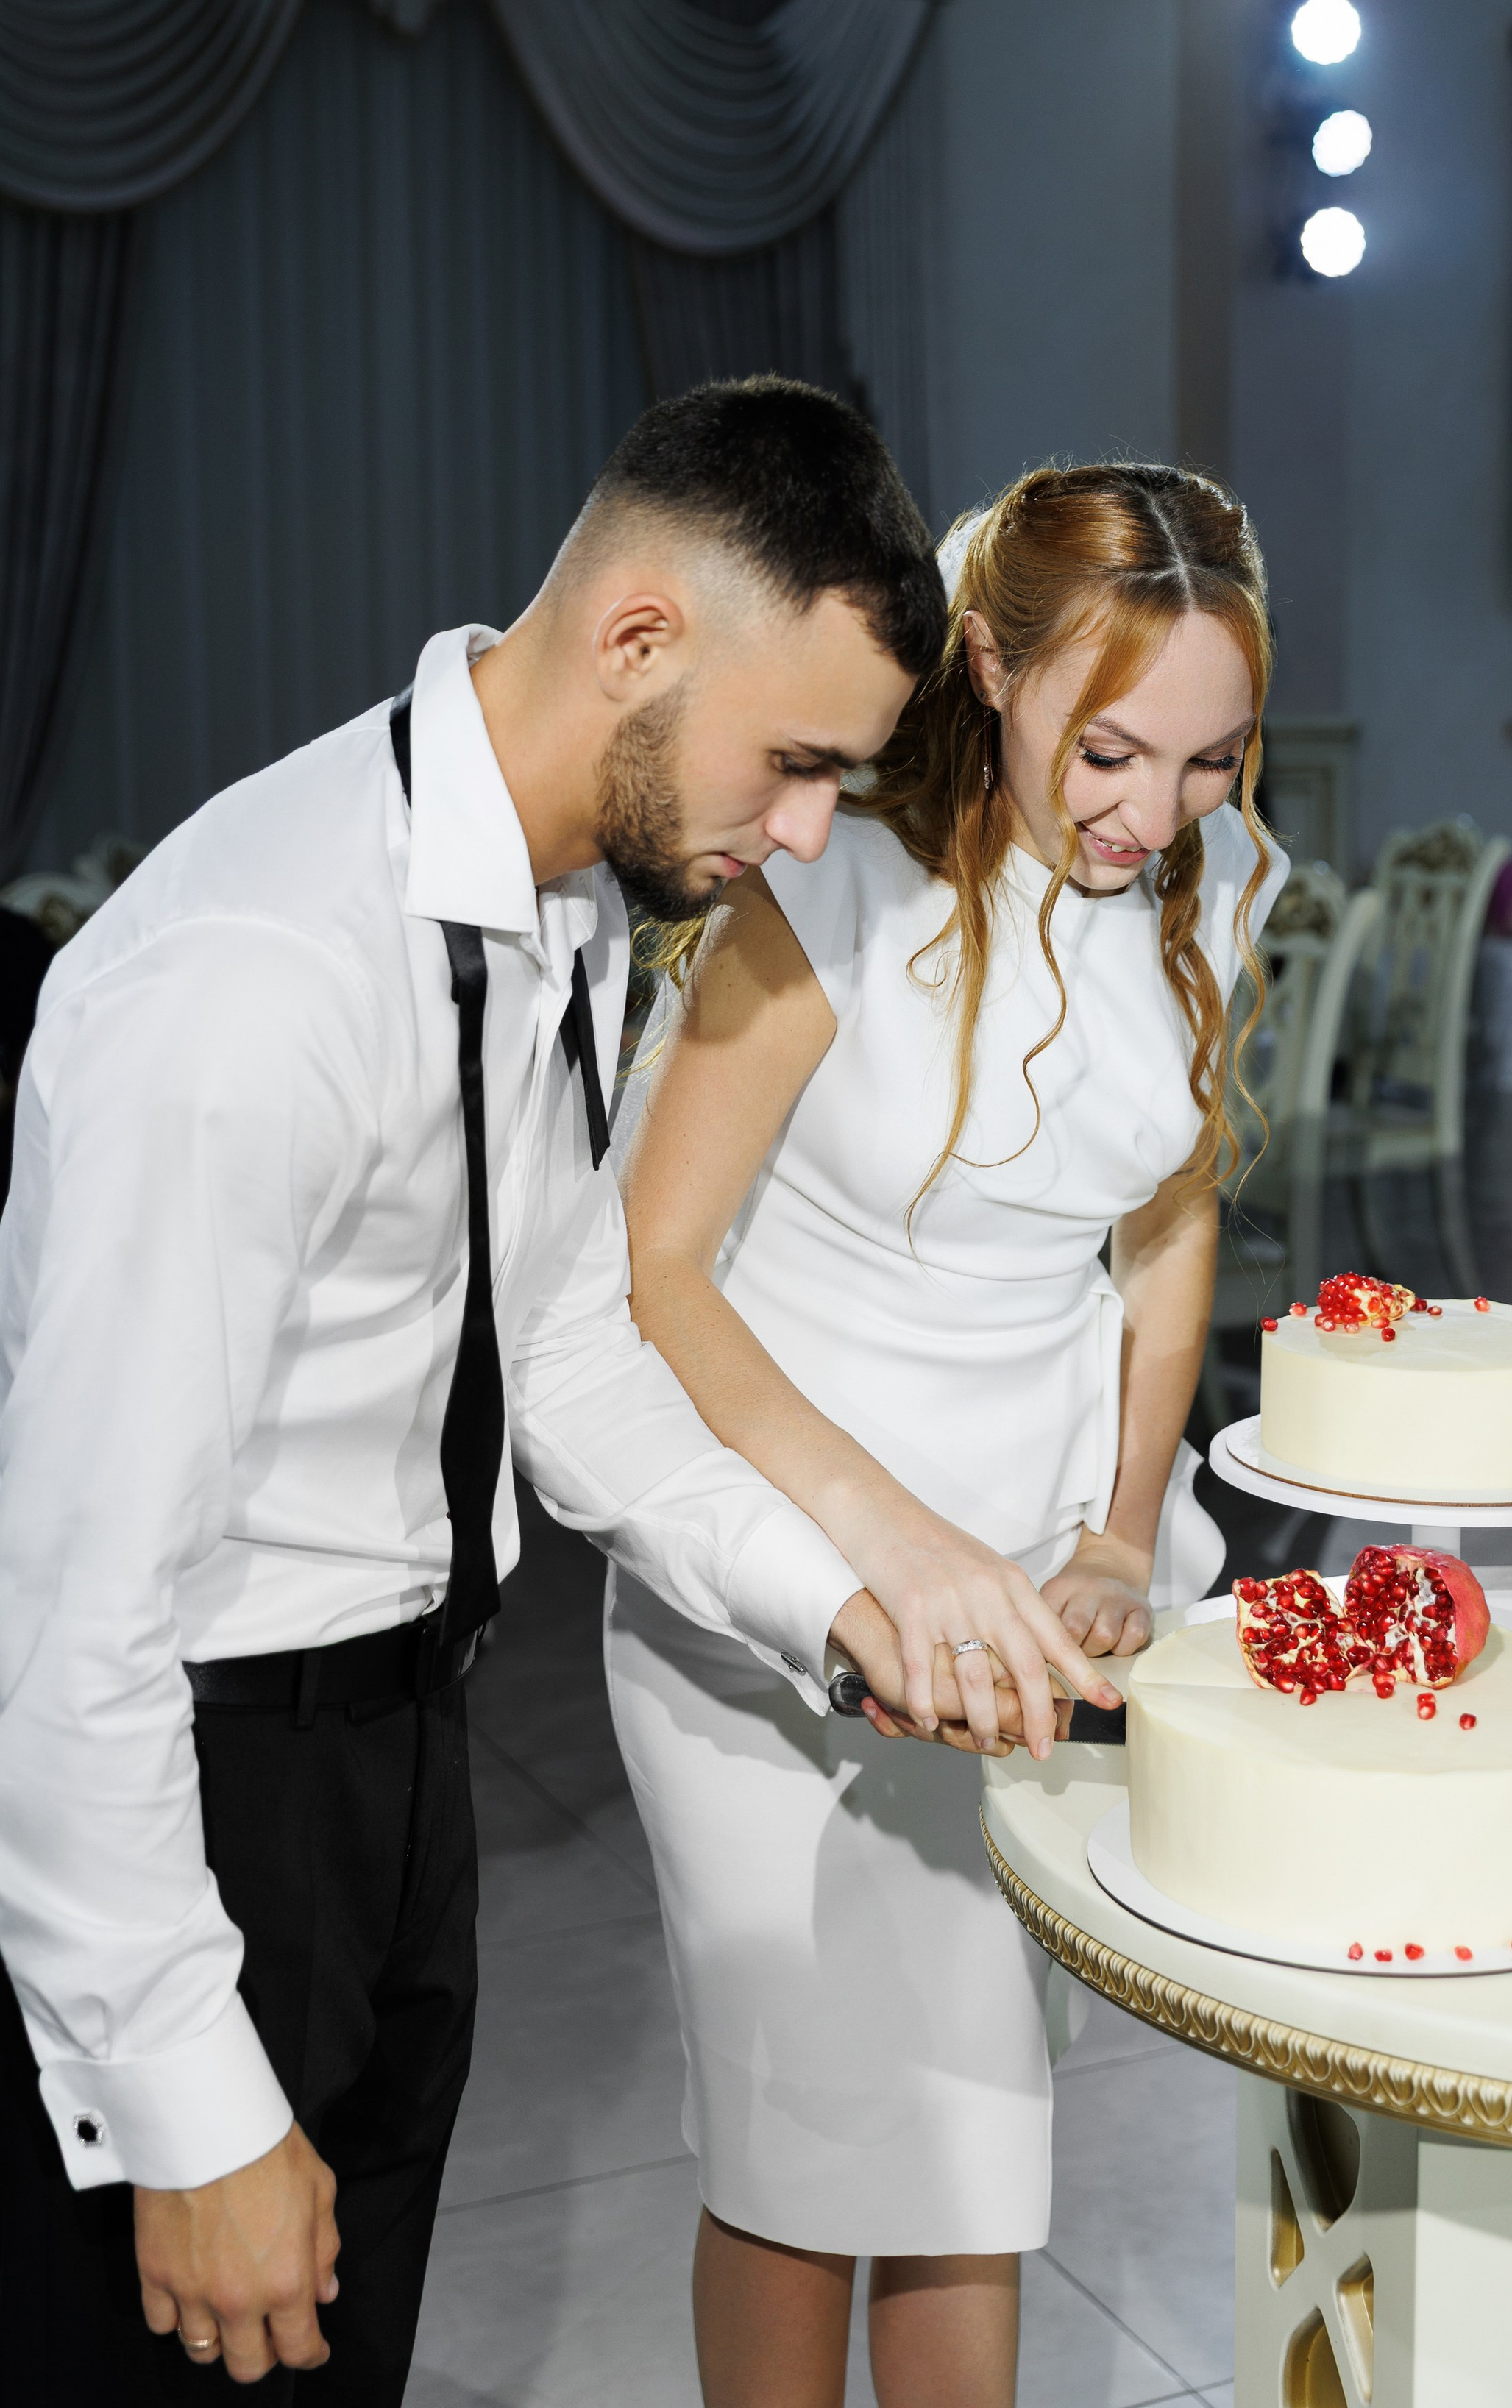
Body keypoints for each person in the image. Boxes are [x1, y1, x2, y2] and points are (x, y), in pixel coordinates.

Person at [0, 378, 1115, 2408]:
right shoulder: (254, 985)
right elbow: (69, 1617)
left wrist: (838, 1603)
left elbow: (570, 1351)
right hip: (215, 1803)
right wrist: (182, 2095)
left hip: (404, 1775)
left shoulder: (572, 907)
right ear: (636, 640)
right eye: (793, 768)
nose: (797, 838)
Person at [611, 461, 1290, 2408]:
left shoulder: (1212, 887)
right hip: (779, 1559)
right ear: (985, 665)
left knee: (971, 2148)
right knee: (800, 2141)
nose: (1152, 817)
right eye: (1109, 751)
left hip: (1028, 1580)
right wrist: (878, 1555)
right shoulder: (828, 881)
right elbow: (659, 1271)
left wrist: (1112, 1528)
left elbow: (1167, 1215)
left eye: (1208, 761)